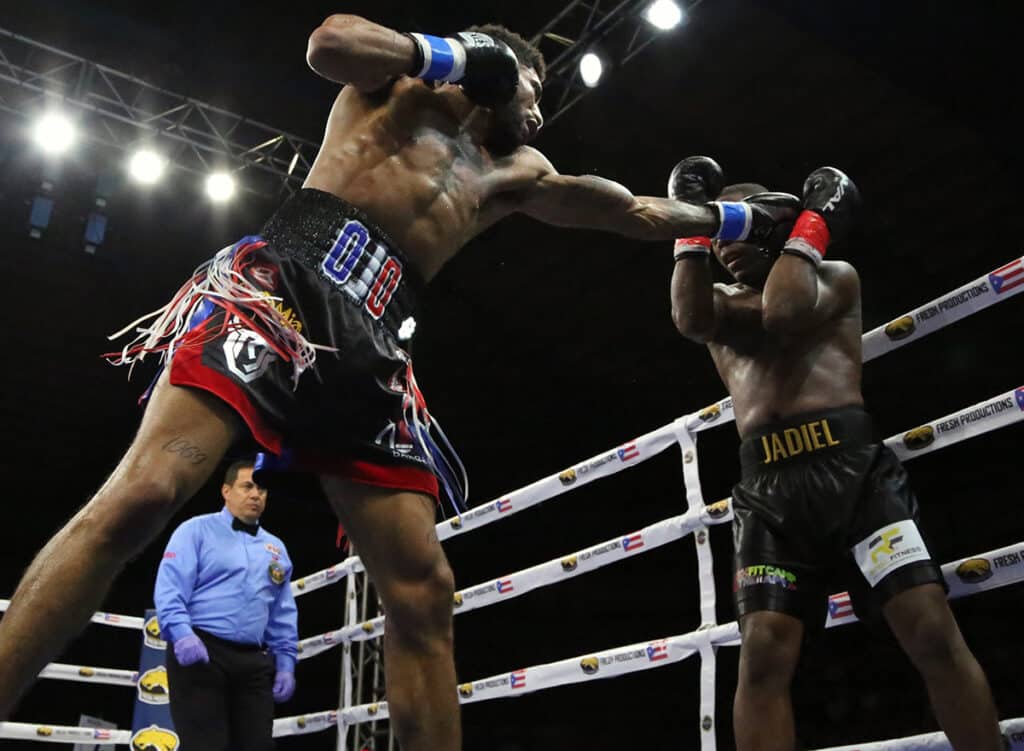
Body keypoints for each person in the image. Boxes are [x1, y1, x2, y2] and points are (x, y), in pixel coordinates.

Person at [0, 16, 797, 751]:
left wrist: (739, 223)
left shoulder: (519, 172)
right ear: (497, 69)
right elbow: (327, 41)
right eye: (535, 90)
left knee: (422, 591)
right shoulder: (399, 86)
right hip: (286, 284)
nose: (542, 114)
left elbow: (633, 213)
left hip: (376, 345)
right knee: (146, 492)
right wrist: (449, 54)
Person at [667, 156, 1003, 750]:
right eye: (716, 240)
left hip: (856, 480)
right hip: (770, 495)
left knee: (929, 630)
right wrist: (692, 227)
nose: (725, 250)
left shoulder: (836, 278)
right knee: (764, 658)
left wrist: (810, 228)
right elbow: (690, 320)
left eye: (738, 231)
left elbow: (784, 309)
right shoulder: (714, 302)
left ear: (774, 226)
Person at [154, 458, 297, 751]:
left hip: (254, 662)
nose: (256, 494)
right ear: (226, 491)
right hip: (204, 652)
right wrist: (181, 633)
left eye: (262, 489)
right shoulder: (194, 531)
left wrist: (286, 662)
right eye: (247, 486)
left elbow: (282, 612)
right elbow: (170, 587)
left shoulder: (277, 548)